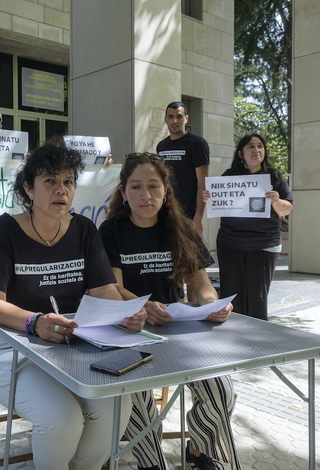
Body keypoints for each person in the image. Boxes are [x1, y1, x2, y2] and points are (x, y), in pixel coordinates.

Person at [0, 142, 146, 469]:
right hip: (7, 348)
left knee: (116, 407)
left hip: (71, 348)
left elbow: (105, 289)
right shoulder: (4, 232)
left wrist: (125, 313)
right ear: (29, 188)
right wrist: (35, 322)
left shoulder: (84, 229)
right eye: (50, 181)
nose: (61, 190)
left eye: (68, 182)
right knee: (62, 418)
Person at [99, 152, 239, 470]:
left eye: (153, 186)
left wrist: (213, 305)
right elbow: (114, 288)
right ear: (123, 193)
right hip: (131, 331)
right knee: (137, 400)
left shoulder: (182, 230)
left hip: (177, 331)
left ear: (166, 191)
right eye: (135, 187)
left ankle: (200, 451)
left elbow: (201, 284)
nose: (145, 195)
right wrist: (143, 306)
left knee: (221, 389)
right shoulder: (110, 232)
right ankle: (152, 464)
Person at [203, 133, 293, 321]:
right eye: (251, 147)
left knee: (257, 297)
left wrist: (276, 201)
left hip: (264, 244)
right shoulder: (229, 176)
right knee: (232, 295)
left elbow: (287, 208)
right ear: (240, 153)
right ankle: (233, 336)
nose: (256, 150)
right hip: (230, 243)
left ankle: (259, 340)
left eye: (260, 146)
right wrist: (210, 198)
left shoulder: (274, 176)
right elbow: (218, 201)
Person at [156, 101, 210, 236]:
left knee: (191, 256)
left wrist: (198, 218)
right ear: (165, 119)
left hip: (189, 217)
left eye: (179, 116)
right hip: (166, 214)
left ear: (186, 119)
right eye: (171, 116)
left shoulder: (197, 144)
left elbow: (202, 183)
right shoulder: (161, 146)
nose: (175, 120)